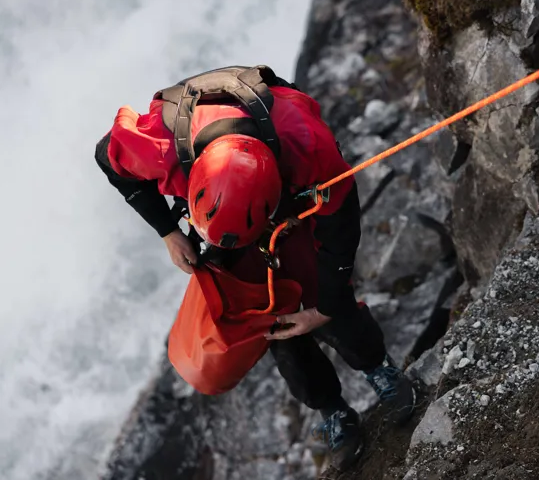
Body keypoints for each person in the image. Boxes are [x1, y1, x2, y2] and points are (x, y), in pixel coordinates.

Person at [94, 65, 415, 471]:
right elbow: (107, 157)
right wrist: (168, 231)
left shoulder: (307, 145)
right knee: (273, 325)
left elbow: (339, 226)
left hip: (288, 207)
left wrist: (326, 307)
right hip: (226, 214)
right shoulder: (156, 147)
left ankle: (379, 369)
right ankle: (331, 410)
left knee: (328, 298)